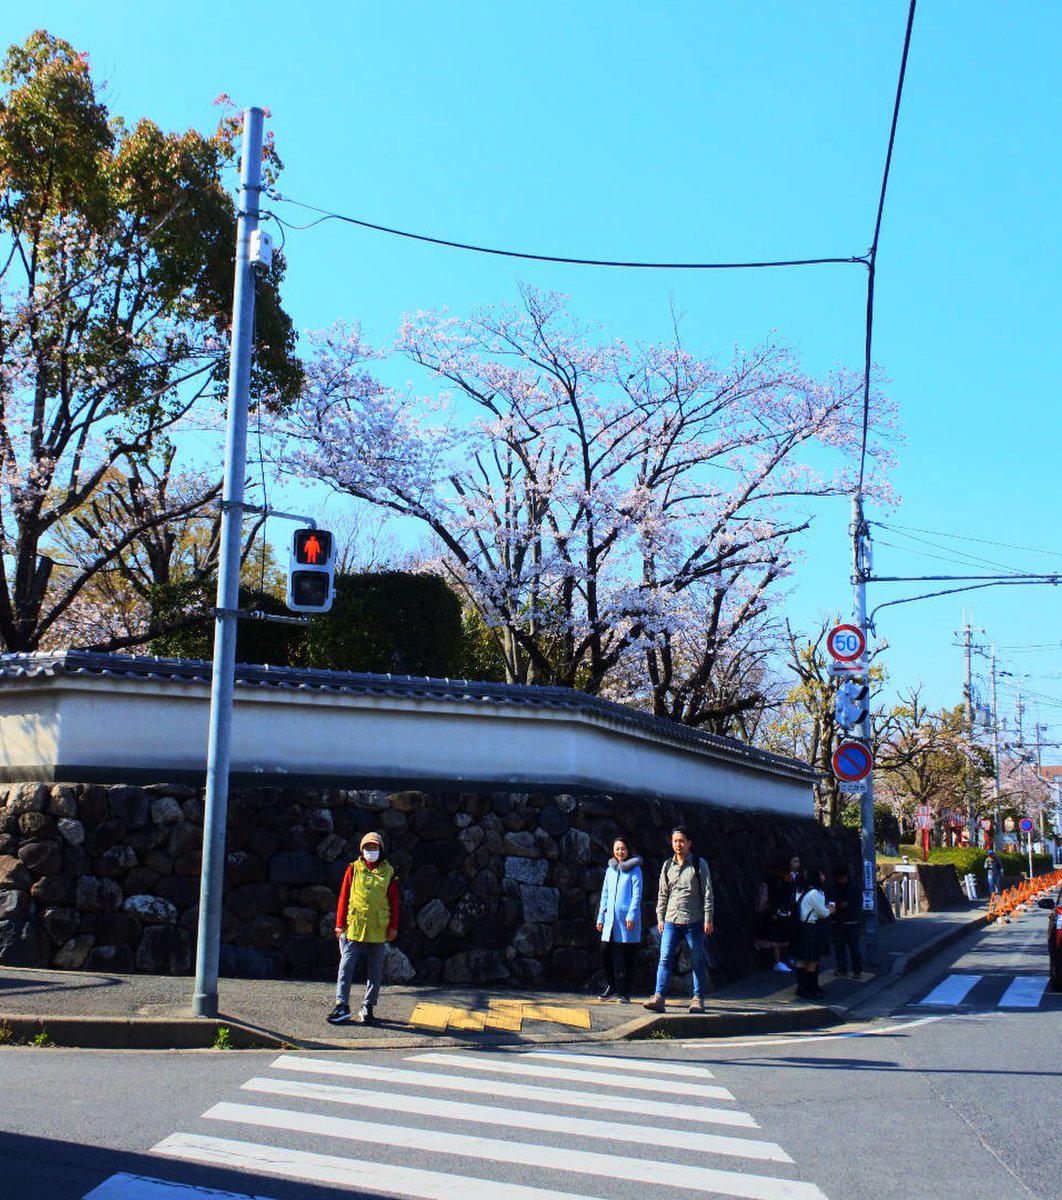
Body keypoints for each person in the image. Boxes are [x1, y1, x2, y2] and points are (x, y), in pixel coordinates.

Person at [327, 831, 399, 1026]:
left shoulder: (388, 872)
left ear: (381, 850)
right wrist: (339, 924)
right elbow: (344, 896)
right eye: (367, 847)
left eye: (374, 847)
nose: (370, 851)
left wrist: (393, 926)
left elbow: (393, 901)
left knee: (375, 970)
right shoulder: (353, 869)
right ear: (361, 849)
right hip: (354, 926)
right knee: (346, 966)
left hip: (378, 927)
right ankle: (342, 1005)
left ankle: (368, 1006)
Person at [643, 826, 715, 1015]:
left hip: (694, 921)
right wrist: (660, 917)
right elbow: (662, 894)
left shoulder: (699, 864)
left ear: (689, 843)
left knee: (697, 960)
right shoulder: (667, 865)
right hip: (671, 921)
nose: (678, 844)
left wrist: (708, 919)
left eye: (682, 840)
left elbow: (708, 894)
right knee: (664, 958)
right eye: (675, 841)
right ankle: (659, 997)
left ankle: (698, 999)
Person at [595, 836, 643, 1002]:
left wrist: (631, 914)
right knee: (604, 950)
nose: (620, 852)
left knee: (627, 954)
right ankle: (611, 985)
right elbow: (605, 894)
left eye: (623, 848)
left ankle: (625, 991)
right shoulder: (611, 870)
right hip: (610, 919)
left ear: (628, 850)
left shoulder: (635, 869)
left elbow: (636, 895)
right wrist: (601, 916)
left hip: (626, 918)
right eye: (617, 849)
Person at [794, 866, 833, 999]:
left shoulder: (801, 891)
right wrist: (830, 910)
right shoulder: (815, 893)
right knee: (812, 959)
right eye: (820, 874)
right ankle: (810, 988)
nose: (823, 877)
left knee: (802, 959)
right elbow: (822, 913)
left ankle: (803, 988)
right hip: (811, 928)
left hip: (801, 927)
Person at [754, 856, 796, 972]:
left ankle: (782, 960)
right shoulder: (776, 880)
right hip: (775, 911)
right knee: (776, 938)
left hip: (776, 911)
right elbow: (775, 897)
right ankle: (779, 961)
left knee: (779, 937)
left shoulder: (775, 879)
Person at [827, 863, 863, 978]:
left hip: (851, 921)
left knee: (853, 948)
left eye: (842, 877)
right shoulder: (832, 887)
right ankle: (842, 969)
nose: (840, 880)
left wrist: (844, 905)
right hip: (837, 922)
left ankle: (857, 970)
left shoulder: (854, 887)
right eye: (838, 878)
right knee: (839, 948)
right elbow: (828, 902)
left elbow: (857, 904)